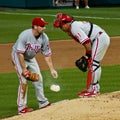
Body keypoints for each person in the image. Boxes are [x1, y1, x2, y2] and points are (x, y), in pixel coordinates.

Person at [53, 13, 110, 97]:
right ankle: (91, 89)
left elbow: (86, 42)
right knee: (92, 63)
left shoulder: (74, 28)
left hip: (99, 38)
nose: (61, 28)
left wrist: (87, 56)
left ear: (66, 23)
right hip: (98, 39)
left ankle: (94, 90)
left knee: (94, 63)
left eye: (61, 26)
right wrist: (87, 57)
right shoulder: (73, 26)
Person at [11, 17, 58, 115]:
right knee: (23, 81)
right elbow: (20, 54)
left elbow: (47, 55)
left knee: (39, 78)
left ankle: (42, 102)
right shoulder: (24, 35)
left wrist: (52, 69)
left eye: (44, 26)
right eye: (42, 26)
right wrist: (24, 70)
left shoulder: (44, 38)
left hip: (30, 57)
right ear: (35, 26)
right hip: (18, 56)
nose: (44, 28)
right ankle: (21, 108)